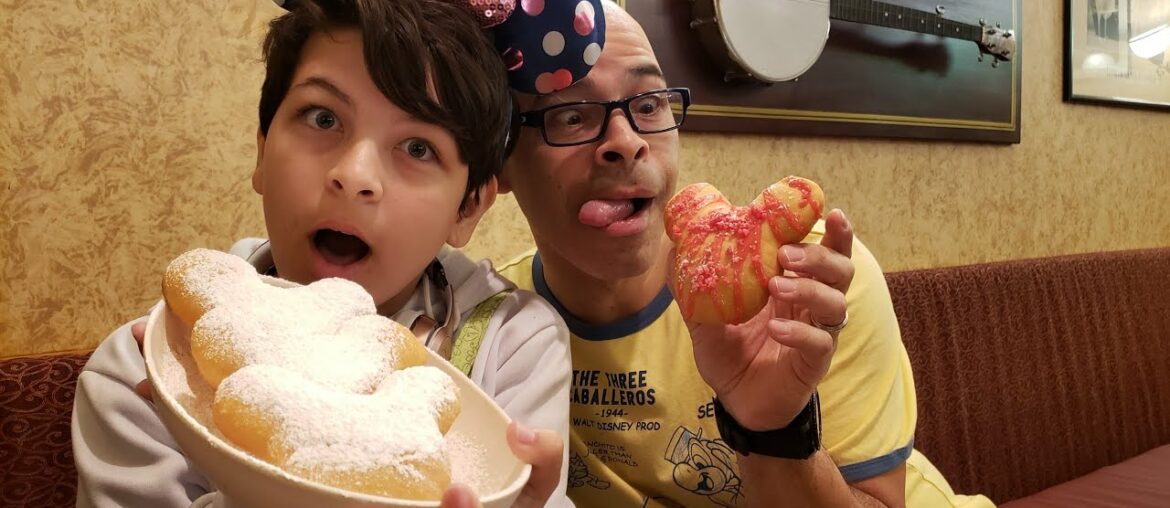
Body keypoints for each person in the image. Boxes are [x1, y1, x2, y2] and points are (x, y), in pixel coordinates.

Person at [71, 1, 572, 506]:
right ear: (263, 152)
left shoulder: (513, 349)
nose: (354, 176)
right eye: (323, 117)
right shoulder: (141, 372)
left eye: (418, 147)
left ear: (467, 207)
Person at [495, 2, 996, 506]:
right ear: (498, 163)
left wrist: (774, 430)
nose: (626, 143)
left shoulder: (805, 283)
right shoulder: (499, 328)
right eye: (570, 115)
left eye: (649, 105)